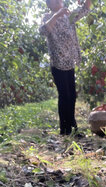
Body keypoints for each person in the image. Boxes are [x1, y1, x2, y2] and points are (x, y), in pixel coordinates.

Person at [40, 0, 91, 135]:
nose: (59, 2)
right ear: (49, 5)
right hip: (58, 63)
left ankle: (72, 124)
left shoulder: (69, 16)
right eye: (55, 1)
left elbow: (85, 9)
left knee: (72, 95)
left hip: (69, 61)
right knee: (64, 95)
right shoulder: (47, 17)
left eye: (59, 0)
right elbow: (43, 31)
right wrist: (56, 15)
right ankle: (64, 129)